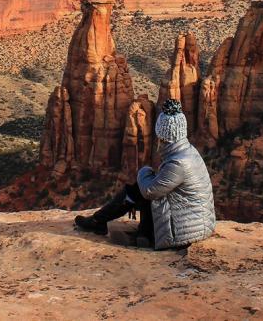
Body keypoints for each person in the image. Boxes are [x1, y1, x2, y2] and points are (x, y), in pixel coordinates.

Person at [75, 99, 216, 249]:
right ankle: (140, 232)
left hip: (184, 233)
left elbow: (150, 192)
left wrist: (144, 171)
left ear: (164, 135)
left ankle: (106, 223)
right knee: (143, 188)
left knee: (142, 189)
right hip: (197, 225)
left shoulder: (178, 163)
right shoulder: (187, 151)